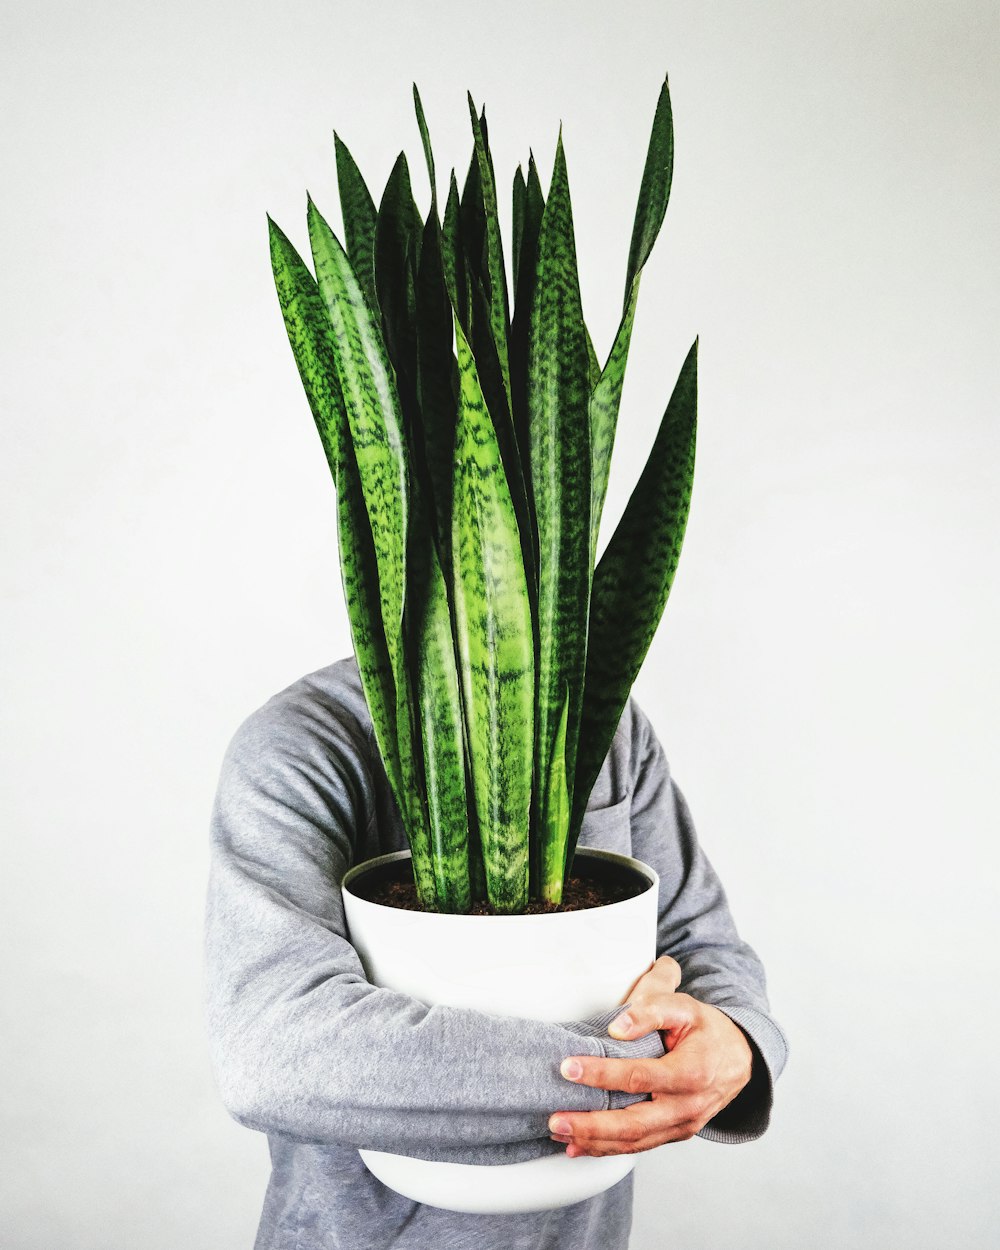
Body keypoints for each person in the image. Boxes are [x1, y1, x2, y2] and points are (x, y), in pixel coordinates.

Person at [204, 655, 788, 1249]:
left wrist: (737, 1041)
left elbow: (700, 940)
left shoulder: (602, 718)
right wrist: (650, 1067)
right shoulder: (307, 740)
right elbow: (276, 1051)